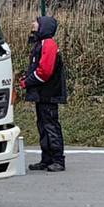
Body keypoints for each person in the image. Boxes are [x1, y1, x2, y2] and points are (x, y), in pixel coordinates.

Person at [20, 14, 67, 172]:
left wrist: (27, 82)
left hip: (49, 93)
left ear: (44, 26)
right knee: (43, 125)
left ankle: (58, 160)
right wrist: (27, 77)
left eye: (36, 22)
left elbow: (44, 72)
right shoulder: (41, 43)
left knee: (51, 125)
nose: (33, 24)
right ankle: (46, 159)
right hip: (42, 93)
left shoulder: (48, 44)